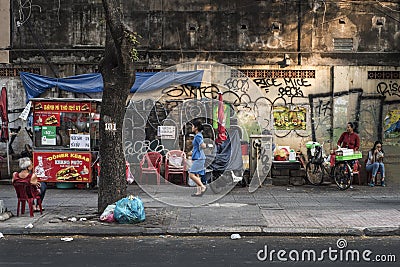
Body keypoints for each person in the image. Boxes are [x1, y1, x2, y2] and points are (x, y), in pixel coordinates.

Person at [337, 122, 360, 189]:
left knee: (350, 168)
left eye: (348, 127)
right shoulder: (344, 134)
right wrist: (339, 147)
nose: (347, 129)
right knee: (342, 168)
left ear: (352, 128)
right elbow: (339, 141)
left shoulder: (356, 136)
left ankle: (349, 182)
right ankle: (341, 182)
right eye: (347, 127)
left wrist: (354, 149)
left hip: (351, 153)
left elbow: (357, 145)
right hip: (344, 152)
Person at [189, 120, 207, 197]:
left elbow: (203, 145)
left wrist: (204, 145)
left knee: (191, 174)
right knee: (197, 175)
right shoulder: (198, 135)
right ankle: (198, 192)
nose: (192, 128)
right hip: (198, 157)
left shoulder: (198, 136)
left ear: (196, 128)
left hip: (199, 158)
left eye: (193, 126)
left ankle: (203, 187)